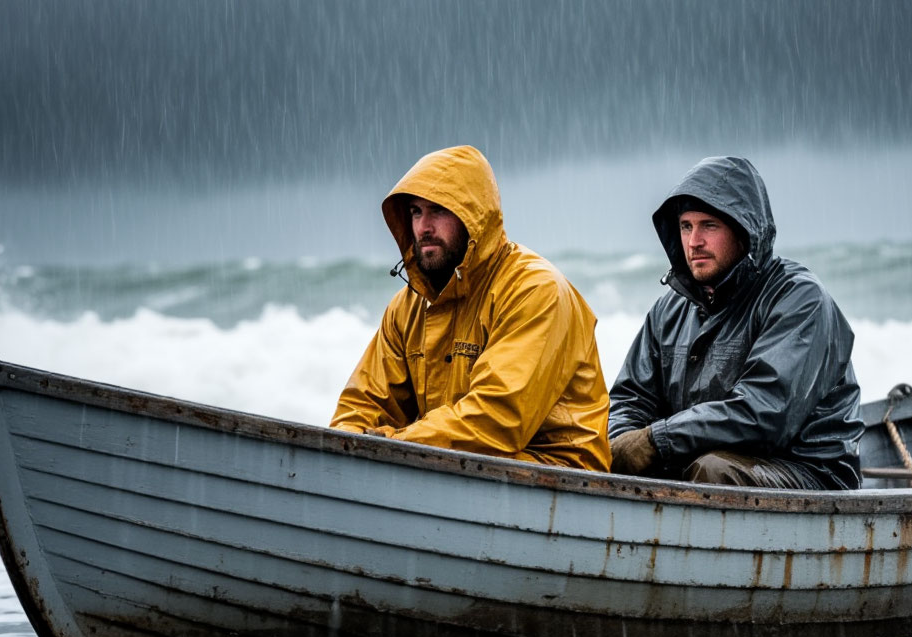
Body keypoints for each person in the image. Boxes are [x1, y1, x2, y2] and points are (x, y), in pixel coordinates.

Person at [332, 145, 611, 471]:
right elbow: (362, 403)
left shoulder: (535, 291)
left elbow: (498, 419)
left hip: (559, 475)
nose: (423, 227)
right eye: (416, 212)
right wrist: (345, 448)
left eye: (438, 210)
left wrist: (393, 445)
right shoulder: (407, 307)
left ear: (474, 216)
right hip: (460, 469)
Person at [608, 156, 863, 489]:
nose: (693, 241)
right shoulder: (668, 310)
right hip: (699, 462)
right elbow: (630, 398)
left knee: (714, 471)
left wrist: (658, 440)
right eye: (686, 226)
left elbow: (765, 414)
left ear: (744, 231)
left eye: (708, 226)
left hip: (809, 472)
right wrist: (622, 444)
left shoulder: (799, 299)